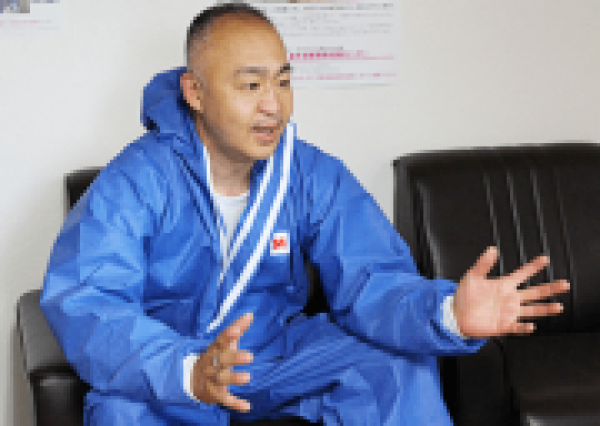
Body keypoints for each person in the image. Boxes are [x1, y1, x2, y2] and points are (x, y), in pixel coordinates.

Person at [40, 3, 570, 425]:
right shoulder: (136, 181)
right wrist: (186, 370)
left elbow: (372, 277)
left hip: (273, 356)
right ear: (194, 92)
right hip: (174, 367)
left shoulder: (309, 174)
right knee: (118, 411)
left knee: (394, 367)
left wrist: (448, 312)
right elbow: (89, 300)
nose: (274, 105)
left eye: (283, 81)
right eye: (251, 85)